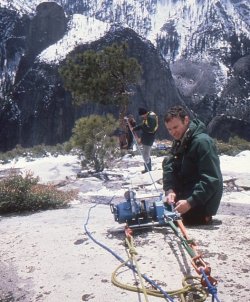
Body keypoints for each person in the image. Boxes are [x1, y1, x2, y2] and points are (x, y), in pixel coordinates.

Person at [162, 105, 223, 225]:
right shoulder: (181, 140)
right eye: (169, 129)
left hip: (201, 203)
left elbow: (211, 179)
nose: (173, 132)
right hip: (187, 193)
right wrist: (170, 190)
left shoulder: (203, 142)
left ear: (186, 120)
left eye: (175, 127)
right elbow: (169, 164)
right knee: (158, 211)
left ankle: (204, 216)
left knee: (168, 219)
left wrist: (190, 202)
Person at [133, 107, 158, 173]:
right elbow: (143, 125)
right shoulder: (148, 117)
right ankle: (147, 168)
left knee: (145, 154)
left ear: (143, 114)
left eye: (141, 115)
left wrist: (142, 128)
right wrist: (136, 128)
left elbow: (151, 129)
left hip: (148, 139)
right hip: (147, 138)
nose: (141, 117)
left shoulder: (150, 118)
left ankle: (148, 170)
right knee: (146, 154)